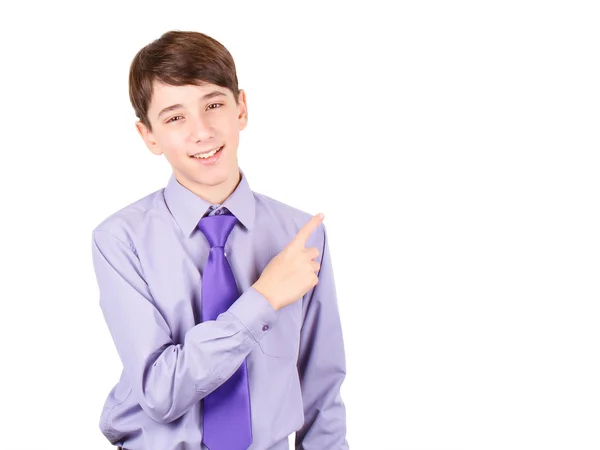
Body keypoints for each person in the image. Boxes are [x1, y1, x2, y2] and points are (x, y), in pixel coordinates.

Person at [90, 30, 349, 450]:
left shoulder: (300, 235)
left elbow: (321, 389)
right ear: (149, 136)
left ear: (241, 108)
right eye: (175, 117)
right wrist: (263, 299)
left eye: (213, 105)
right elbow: (160, 392)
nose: (202, 131)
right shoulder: (121, 240)